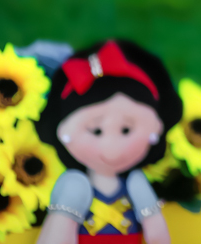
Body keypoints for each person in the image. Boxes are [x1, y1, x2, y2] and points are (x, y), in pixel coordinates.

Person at [35, 40, 182, 243]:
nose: (111, 148)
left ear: (156, 128)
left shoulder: (136, 183)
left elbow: (155, 229)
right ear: (63, 132)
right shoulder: (75, 184)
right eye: (96, 131)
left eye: (126, 130)